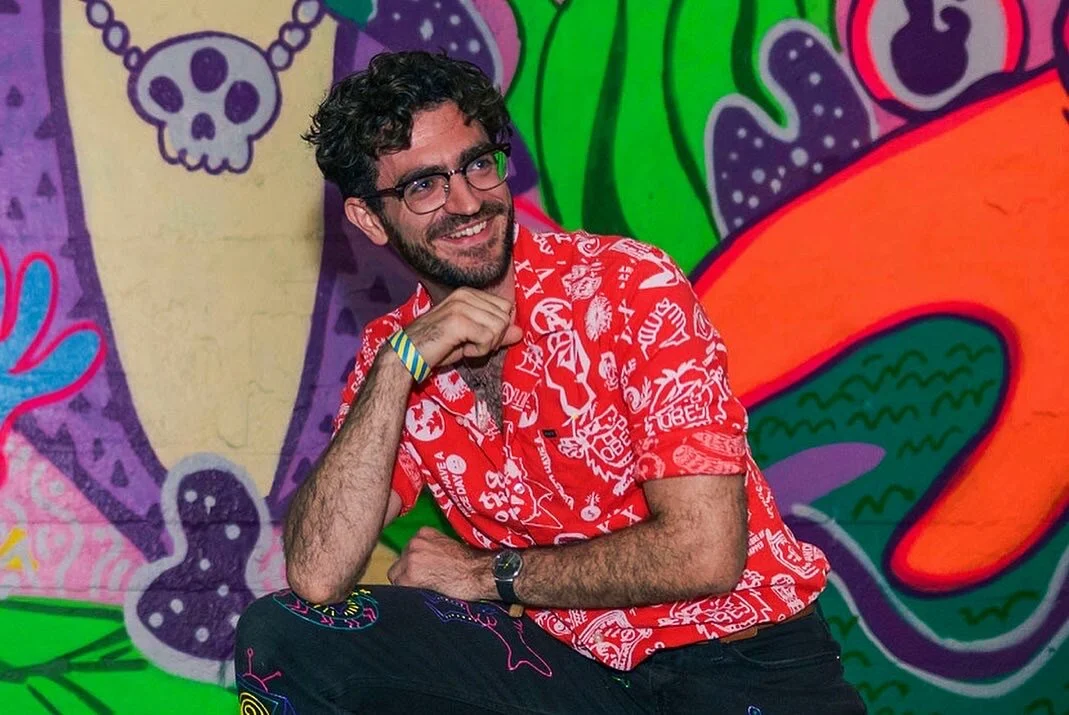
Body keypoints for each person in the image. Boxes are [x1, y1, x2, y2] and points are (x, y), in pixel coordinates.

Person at [235, 50, 866, 714]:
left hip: (741, 663)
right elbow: (318, 574)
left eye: (478, 165)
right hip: (572, 675)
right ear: (370, 218)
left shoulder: (627, 288)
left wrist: (488, 574)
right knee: (285, 633)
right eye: (423, 186)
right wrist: (396, 368)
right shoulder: (397, 353)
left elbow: (706, 552)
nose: (466, 201)